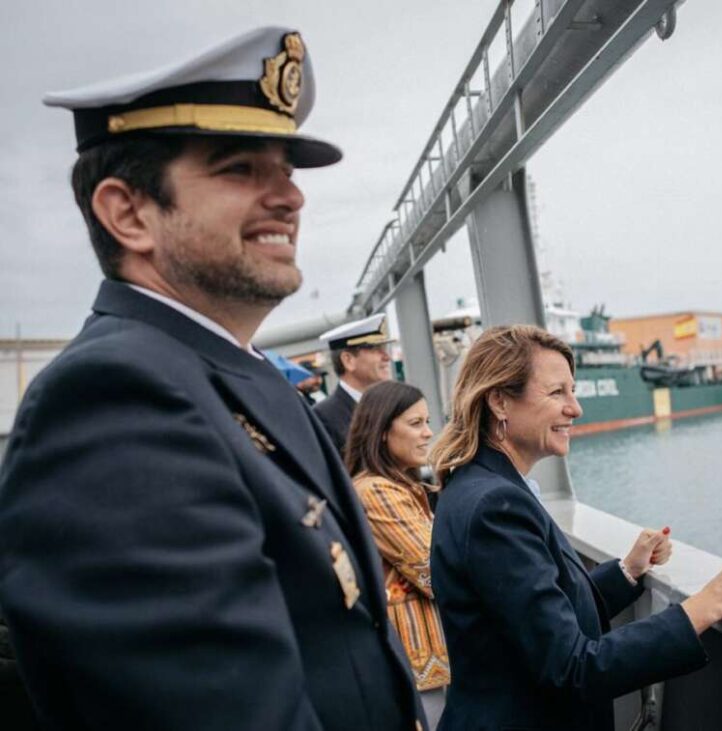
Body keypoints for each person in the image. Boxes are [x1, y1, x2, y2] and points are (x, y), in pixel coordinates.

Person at [0, 27, 425, 731]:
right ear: (128, 212)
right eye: (239, 168)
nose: (291, 197)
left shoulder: (225, 371)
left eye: (286, 170)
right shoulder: (113, 401)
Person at [429, 325, 722, 731]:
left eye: (573, 392)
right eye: (557, 392)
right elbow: (573, 667)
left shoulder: (482, 487)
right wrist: (708, 603)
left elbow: (535, 616)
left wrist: (627, 571)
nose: (575, 408)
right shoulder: (495, 506)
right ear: (500, 401)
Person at [345, 382, 451, 730]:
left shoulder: (400, 488)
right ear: (381, 431)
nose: (428, 433)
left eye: (427, 421)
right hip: (418, 663)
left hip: (427, 665)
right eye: (415, 423)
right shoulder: (377, 492)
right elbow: (436, 574)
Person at [314, 313, 395, 456]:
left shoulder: (392, 404)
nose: (387, 357)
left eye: (384, 348)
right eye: (375, 349)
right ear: (348, 360)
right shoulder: (323, 417)